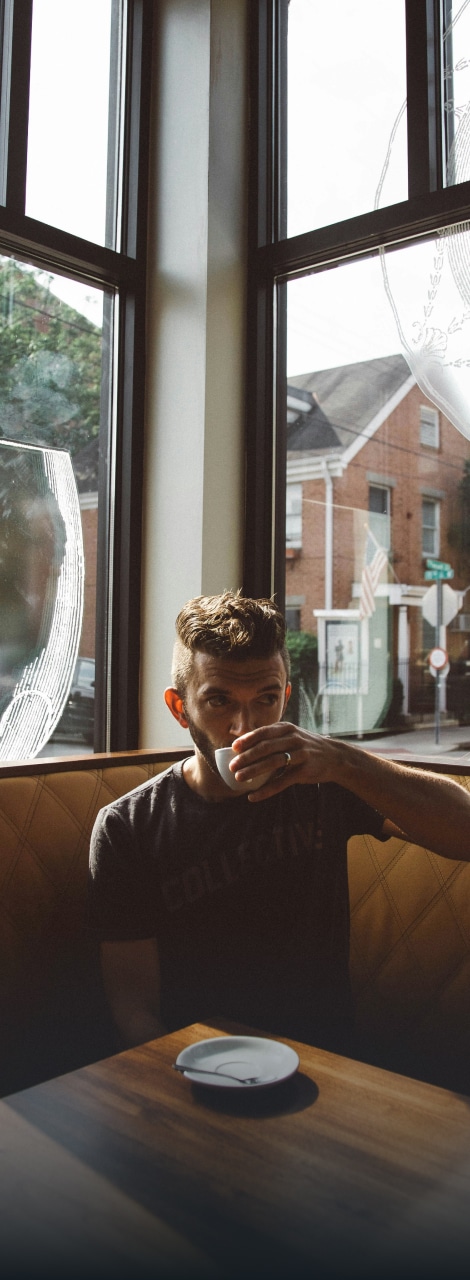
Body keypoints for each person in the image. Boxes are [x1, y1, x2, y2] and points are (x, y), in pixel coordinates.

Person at [88, 591, 470, 1055]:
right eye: (219, 701)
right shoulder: (128, 828)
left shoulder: (324, 782)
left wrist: (346, 763)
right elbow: (134, 1008)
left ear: (286, 696)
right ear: (179, 707)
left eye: (266, 698)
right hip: (199, 1069)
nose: (244, 726)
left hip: (326, 1063)